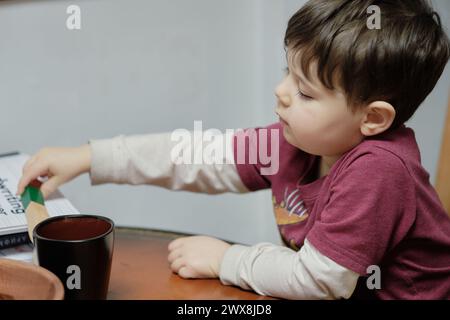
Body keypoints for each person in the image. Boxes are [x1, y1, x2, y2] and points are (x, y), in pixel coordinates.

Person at [17, 0, 450, 299]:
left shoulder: (380, 170)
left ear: (372, 119)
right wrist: (91, 157)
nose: (281, 93)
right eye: (287, 73)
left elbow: (320, 281)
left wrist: (227, 259)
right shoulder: (292, 142)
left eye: (305, 91)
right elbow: (196, 155)